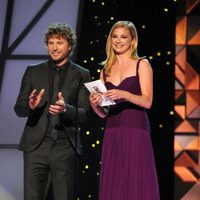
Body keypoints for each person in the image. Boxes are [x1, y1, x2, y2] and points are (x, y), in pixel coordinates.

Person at [14, 23, 91, 200]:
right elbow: (19, 108)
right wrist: (29, 106)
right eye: (51, 42)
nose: (54, 47)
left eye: (59, 42)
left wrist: (66, 109)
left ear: (70, 46)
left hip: (64, 146)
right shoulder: (33, 71)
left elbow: (84, 113)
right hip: (35, 147)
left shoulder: (82, 74)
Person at [89, 20, 160, 200]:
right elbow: (104, 113)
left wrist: (125, 94)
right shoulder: (105, 70)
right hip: (112, 131)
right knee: (115, 182)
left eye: (123, 37)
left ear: (132, 40)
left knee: (136, 180)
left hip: (136, 130)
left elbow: (148, 101)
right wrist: (94, 104)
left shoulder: (142, 64)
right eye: (115, 36)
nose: (118, 41)